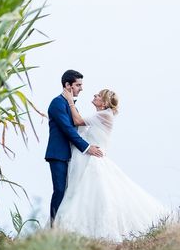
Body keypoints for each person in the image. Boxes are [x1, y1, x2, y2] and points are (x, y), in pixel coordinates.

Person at [54, 88, 168, 241]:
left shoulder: (104, 115)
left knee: (94, 193)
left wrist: (69, 102)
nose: (94, 95)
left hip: (94, 160)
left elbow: (78, 121)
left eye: (98, 95)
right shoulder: (100, 115)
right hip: (88, 158)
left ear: (105, 102)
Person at [45, 70, 104, 226]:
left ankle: (63, 227)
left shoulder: (69, 105)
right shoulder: (57, 103)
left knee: (69, 192)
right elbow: (67, 129)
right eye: (78, 85)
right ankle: (53, 227)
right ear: (67, 85)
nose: (81, 88)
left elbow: (77, 125)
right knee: (59, 191)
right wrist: (87, 148)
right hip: (58, 154)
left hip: (69, 155)